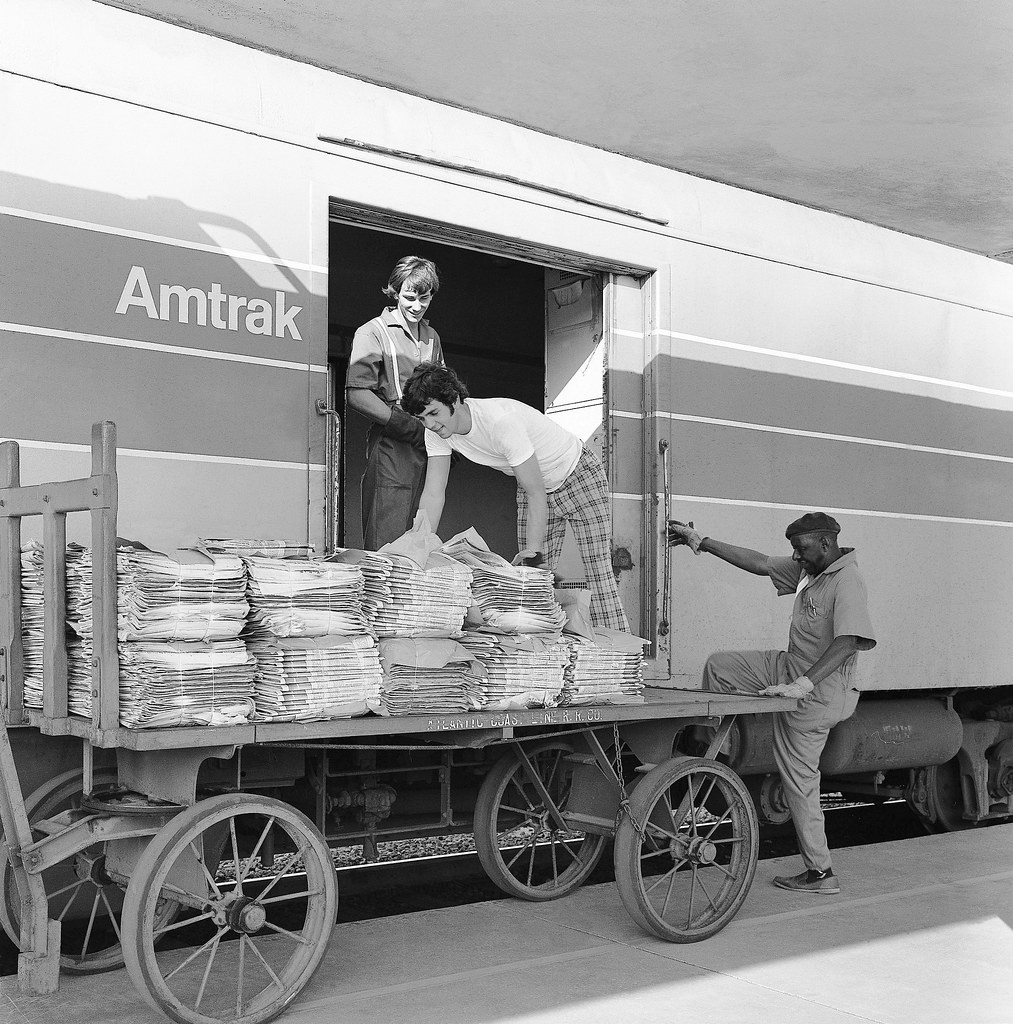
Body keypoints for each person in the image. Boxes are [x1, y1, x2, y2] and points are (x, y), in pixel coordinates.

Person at [668, 511, 876, 895]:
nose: (795, 557)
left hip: (817, 693)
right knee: (720, 666)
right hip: (787, 667)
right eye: (794, 550)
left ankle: (820, 873)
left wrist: (802, 684)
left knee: (799, 784)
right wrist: (702, 542)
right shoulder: (813, 569)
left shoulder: (848, 581)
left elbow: (849, 641)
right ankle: (713, 754)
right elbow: (761, 563)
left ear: (825, 544)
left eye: (800, 549)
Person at [400, 362, 630, 632]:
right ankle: (543, 658)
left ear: (455, 398)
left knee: (599, 575)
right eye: (422, 418)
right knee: (529, 581)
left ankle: (623, 657)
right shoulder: (436, 433)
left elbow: (536, 492)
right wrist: (419, 543)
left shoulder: (500, 422)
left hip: (578, 475)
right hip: (532, 483)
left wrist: (534, 551)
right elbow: (434, 491)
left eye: (434, 413)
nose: (430, 424)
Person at [345, 256, 444, 550]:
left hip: (430, 445)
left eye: (424, 298)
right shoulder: (372, 331)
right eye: (409, 297)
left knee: (423, 543)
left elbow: (444, 392)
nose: (417, 306)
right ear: (394, 292)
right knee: (387, 546)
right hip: (393, 446)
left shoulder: (432, 337)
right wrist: (404, 425)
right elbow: (357, 394)